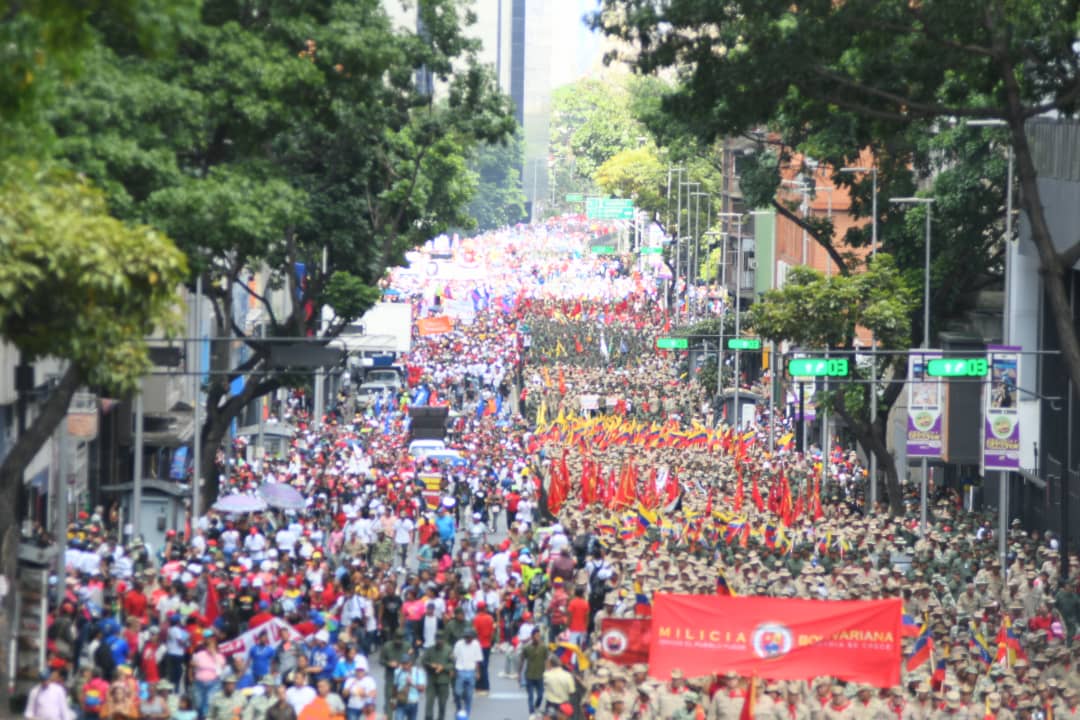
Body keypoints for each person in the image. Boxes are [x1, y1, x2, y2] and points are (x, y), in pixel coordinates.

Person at [420, 632, 453, 720]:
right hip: (431, 680)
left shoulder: (448, 650)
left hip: (443, 681)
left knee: (442, 704)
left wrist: (443, 667)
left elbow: (453, 664)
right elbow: (423, 661)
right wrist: (431, 665)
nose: (439, 641)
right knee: (429, 704)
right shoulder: (430, 650)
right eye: (438, 639)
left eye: (441, 639)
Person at [451, 628, 483, 717]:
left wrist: (478, 672)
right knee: (457, 693)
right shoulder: (459, 644)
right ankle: (459, 709)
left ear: (472, 638)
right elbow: (454, 657)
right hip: (460, 671)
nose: (467, 639)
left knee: (469, 696)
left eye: (469, 637)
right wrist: (454, 670)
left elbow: (477, 660)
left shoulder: (476, 644)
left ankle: (466, 715)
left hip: (471, 671)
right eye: (466, 637)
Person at [520, 628, 548, 715]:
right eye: (536, 636)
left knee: (540, 695)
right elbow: (522, 660)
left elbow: (546, 661)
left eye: (539, 636)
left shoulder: (544, 648)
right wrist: (519, 673)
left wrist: (547, 673)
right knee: (530, 696)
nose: (538, 638)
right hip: (529, 675)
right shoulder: (526, 648)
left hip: (540, 675)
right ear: (532, 637)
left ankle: (536, 706)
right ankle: (531, 711)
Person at [470, 602, 494, 694]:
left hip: (478, 645)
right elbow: (492, 633)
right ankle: (485, 686)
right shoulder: (490, 618)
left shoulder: (476, 619)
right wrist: (490, 642)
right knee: (485, 665)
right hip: (487, 645)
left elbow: (474, 632)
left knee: (479, 666)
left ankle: (480, 686)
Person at [391, 654, 425, 720]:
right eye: (403, 664)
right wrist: (393, 701)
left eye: (406, 663)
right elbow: (395, 687)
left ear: (410, 663)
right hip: (401, 702)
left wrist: (412, 684)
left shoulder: (418, 672)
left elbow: (422, 689)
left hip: (413, 702)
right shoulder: (397, 672)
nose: (405, 666)